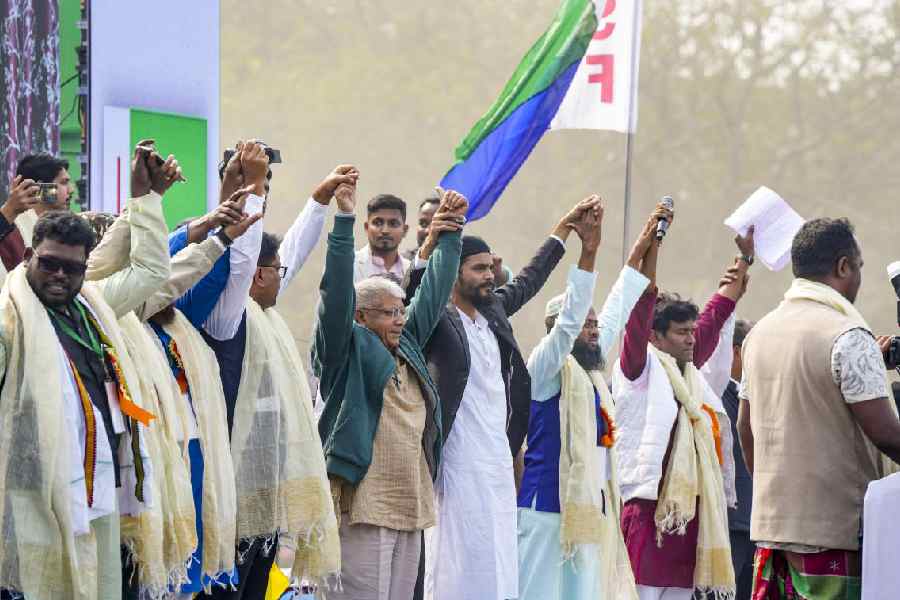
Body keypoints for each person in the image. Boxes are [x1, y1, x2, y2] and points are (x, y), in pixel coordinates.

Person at [412, 198, 592, 600]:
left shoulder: (492, 311)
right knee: (458, 564)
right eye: (478, 269)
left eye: (490, 268)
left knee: (499, 563)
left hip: (497, 459)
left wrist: (562, 229)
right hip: (457, 462)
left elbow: (530, 278)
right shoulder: (439, 321)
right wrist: (430, 249)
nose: (489, 276)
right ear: (453, 275)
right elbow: (414, 290)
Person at [0, 198, 168, 599]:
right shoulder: (9, 323)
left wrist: (146, 199)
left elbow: (152, 271)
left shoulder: (93, 306)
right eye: (50, 263)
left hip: (94, 490)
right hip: (29, 503)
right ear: (27, 256)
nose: (60, 275)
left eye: (73, 268)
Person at [315, 180, 466, 600]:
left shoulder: (408, 348)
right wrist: (344, 219)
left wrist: (451, 229)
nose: (400, 320)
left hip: (409, 502)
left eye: (401, 311)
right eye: (389, 313)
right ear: (361, 317)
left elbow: (433, 293)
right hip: (365, 504)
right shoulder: (347, 351)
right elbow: (336, 294)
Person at [738, 218, 900, 600]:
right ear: (843, 266)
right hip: (834, 537)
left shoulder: (759, 335)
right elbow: (886, 434)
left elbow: (747, 431)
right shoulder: (846, 334)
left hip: (771, 535)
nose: (858, 280)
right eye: (858, 268)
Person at [516, 202, 667, 600]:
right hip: (546, 511)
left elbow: (620, 299)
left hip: (589, 514)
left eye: (594, 325)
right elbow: (569, 325)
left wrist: (646, 242)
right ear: (555, 330)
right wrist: (588, 252)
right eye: (585, 325)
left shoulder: (592, 376)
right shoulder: (544, 368)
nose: (593, 331)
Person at [613, 216, 753, 600]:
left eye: (692, 332)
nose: (692, 339)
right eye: (681, 332)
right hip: (648, 515)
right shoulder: (637, 369)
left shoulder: (689, 374)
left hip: (689, 519)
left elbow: (717, 311)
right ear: (656, 337)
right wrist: (652, 250)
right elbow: (639, 313)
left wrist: (744, 259)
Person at [719, 319, 755, 600]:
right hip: (729, 524)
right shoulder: (717, 394)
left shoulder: (752, 394)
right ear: (736, 352)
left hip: (754, 524)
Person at [12, 152, 73, 243]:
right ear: (39, 188)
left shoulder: (62, 228)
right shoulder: (14, 231)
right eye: (63, 183)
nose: (71, 190)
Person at [354, 193, 410, 283]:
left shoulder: (411, 271)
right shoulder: (349, 265)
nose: (385, 230)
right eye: (378, 223)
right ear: (366, 227)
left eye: (393, 223)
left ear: (405, 230)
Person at [403, 194, 440, 261]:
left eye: (436, 224)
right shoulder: (404, 264)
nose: (428, 231)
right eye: (423, 224)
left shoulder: (460, 262)